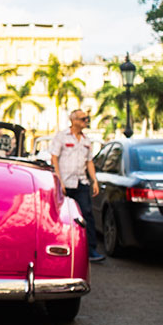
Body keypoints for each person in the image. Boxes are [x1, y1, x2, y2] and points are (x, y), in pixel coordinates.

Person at [49, 109, 104, 262]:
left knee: (86, 214)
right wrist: (59, 180)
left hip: (81, 181)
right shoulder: (61, 136)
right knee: (61, 215)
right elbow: (54, 158)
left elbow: (89, 161)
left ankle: (90, 249)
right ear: (73, 120)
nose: (85, 122)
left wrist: (94, 180)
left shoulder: (87, 140)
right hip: (65, 181)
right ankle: (58, 245)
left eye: (86, 119)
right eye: (82, 119)